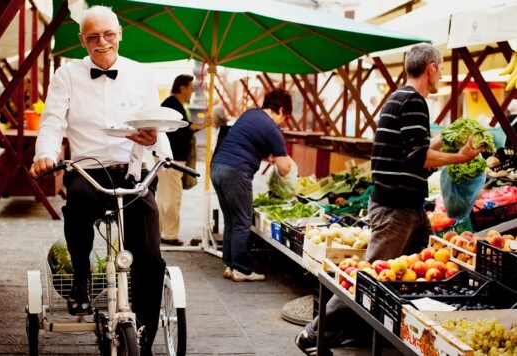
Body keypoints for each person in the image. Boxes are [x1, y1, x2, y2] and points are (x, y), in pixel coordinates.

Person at [295, 43, 483, 355]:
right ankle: (314, 333)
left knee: (412, 272)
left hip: (407, 207)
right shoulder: (413, 101)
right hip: (395, 209)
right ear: (432, 68)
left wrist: (449, 138)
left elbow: (414, 144)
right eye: (441, 70)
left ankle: (369, 330)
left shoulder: (399, 98)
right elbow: (416, 156)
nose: (441, 77)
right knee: (369, 274)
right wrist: (459, 157)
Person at [29, 6, 170, 355]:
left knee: (150, 255)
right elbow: (52, 122)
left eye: (108, 34)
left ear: (120, 33)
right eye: (93, 36)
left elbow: (158, 128)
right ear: (82, 40)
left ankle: (146, 336)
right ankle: (81, 277)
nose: (101, 42)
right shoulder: (67, 74)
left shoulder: (141, 75)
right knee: (77, 203)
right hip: (87, 171)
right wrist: (44, 154)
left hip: (132, 171)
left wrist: (153, 141)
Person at [211, 88, 292, 282]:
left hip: (217, 167)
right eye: (286, 118)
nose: (283, 122)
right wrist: (286, 163)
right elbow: (284, 168)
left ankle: (230, 265)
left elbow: (246, 141)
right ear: (280, 109)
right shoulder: (272, 128)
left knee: (231, 220)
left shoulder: (250, 114)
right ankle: (241, 268)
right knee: (242, 221)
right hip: (236, 172)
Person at [156, 74, 211, 246]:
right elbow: (180, 129)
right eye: (190, 87)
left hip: (166, 159)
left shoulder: (172, 104)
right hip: (172, 160)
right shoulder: (173, 105)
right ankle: (170, 234)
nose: (193, 90)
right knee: (173, 197)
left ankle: (161, 232)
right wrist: (200, 125)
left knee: (165, 198)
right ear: (182, 88)